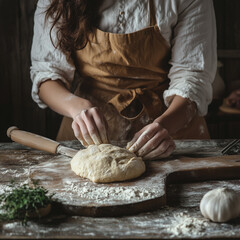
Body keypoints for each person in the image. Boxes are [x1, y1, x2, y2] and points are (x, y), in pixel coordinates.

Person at [30, 0, 217, 160]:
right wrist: (77, 107)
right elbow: (47, 74)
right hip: (86, 136)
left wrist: (165, 125)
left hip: (170, 130)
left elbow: (192, 76)